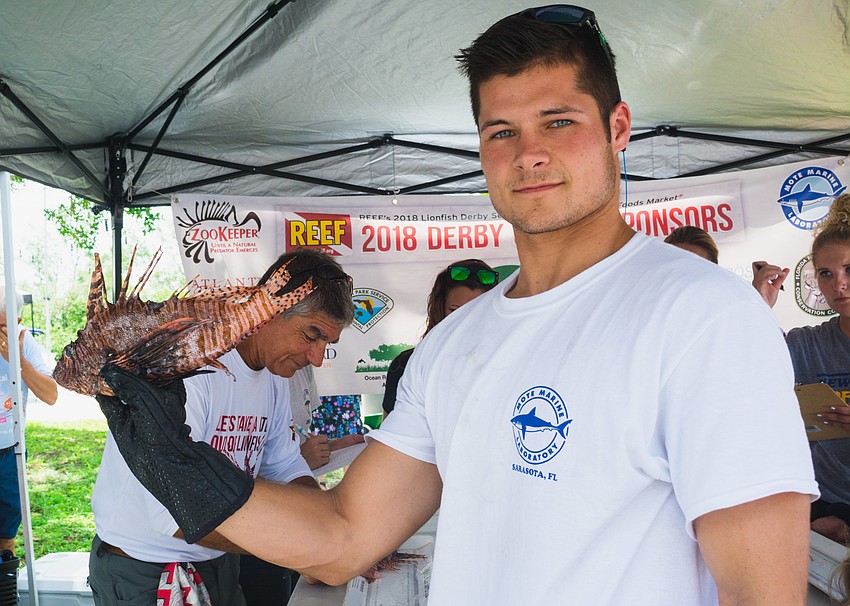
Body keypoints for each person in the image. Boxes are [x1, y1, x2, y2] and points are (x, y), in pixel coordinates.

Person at [97, 6, 818, 604]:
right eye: (501, 132)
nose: (528, 153)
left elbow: (764, 592)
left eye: (558, 122)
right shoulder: (455, 340)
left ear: (618, 129)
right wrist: (182, 465)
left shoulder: (704, 316)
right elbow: (344, 536)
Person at [88, 249, 354, 606]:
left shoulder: (273, 375)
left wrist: (331, 529)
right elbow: (174, 512)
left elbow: (286, 466)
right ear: (270, 311)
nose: (318, 358)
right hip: (147, 568)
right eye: (311, 335)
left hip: (215, 558)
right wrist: (304, 547)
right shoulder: (193, 366)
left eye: (328, 344)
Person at [760, 193, 850, 544]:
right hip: (824, 513)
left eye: (848, 270)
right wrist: (759, 310)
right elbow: (745, 368)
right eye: (826, 273)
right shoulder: (807, 344)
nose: (837, 285)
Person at [382, 259, 499, 416]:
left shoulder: (505, 364)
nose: (465, 321)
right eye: (455, 310)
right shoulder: (407, 364)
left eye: (477, 311)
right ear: (439, 309)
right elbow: (390, 433)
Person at [0, 288, 58, 556]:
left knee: (6, 531)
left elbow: (50, 395)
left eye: (1, 327)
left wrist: (18, 361)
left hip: (10, 450)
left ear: (17, 324)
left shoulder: (25, 344)